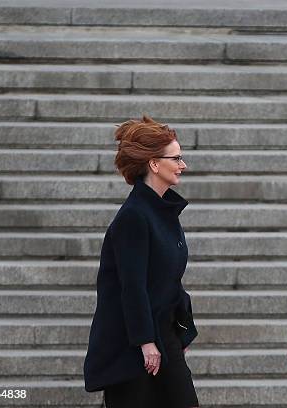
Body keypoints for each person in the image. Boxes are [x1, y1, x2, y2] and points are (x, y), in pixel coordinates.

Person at [84, 115, 199, 408]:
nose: (183, 165)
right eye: (177, 158)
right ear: (154, 164)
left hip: (163, 334)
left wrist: (179, 333)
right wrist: (146, 343)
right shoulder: (134, 217)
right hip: (133, 345)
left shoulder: (162, 211)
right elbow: (132, 286)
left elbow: (166, 279)